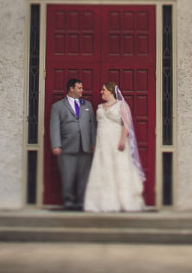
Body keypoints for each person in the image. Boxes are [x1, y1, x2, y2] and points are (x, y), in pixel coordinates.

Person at [84, 81, 146, 212]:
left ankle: (124, 201)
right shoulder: (100, 107)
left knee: (119, 168)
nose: (101, 92)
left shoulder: (121, 105)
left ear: (111, 92)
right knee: (103, 168)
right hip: (102, 143)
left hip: (117, 142)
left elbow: (126, 123)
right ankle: (103, 203)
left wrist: (123, 140)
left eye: (104, 90)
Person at [49, 78, 96, 210]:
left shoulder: (87, 105)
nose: (82, 90)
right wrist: (56, 145)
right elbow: (54, 126)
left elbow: (92, 126)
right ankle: (69, 202)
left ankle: (81, 202)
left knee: (83, 178)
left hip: (85, 148)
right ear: (71, 88)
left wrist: (93, 143)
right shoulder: (58, 106)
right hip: (66, 148)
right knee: (68, 177)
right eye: (79, 88)